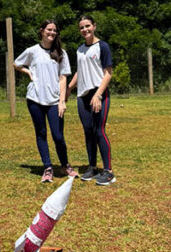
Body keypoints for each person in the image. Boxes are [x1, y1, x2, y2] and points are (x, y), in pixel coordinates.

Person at [14, 19, 76, 182]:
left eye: (54, 30)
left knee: (58, 136)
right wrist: (28, 72)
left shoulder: (61, 53)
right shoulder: (32, 51)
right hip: (35, 99)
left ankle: (65, 165)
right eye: (49, 29)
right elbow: (16, 64)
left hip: (54, 100)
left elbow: (63, 78)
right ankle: (47, 168)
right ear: (42, 31)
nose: (52, 33)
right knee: (41, 133)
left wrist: (62, 101)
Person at [67, 15, 114, 185]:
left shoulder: (102, 46)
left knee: (99, 130)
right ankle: (92, 167)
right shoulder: (80, 50)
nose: (85, 30)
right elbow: (79, 72)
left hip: (99, 94)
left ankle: (108, 172)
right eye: (81, 27)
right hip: (83, 96)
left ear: (94, 26)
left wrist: (98, 94)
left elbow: (108, 73)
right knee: (88, 131)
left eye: (87, 26)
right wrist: (68, 89)